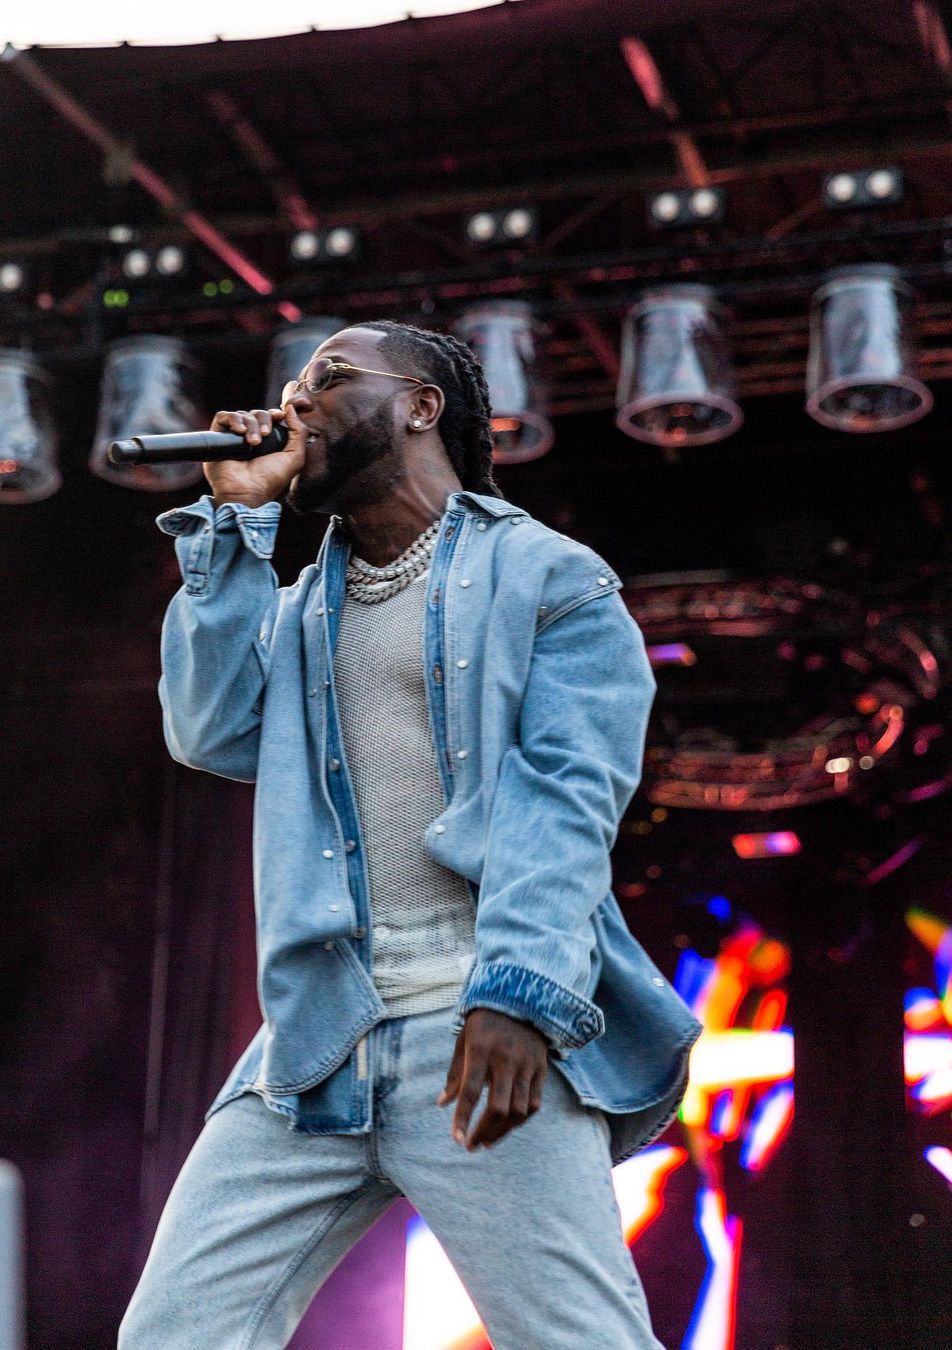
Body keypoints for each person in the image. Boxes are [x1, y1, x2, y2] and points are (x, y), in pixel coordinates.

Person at [119, 320, 701, 1349]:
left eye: (330, 377)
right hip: (320, 1035)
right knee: (175, 1333)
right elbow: (207, 730)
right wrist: (235, 523)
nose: (295, 402)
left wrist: (519, 994)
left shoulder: (550, 579)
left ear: (422, 406)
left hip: (475, 1017)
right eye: (291, 385)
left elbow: (566, 803)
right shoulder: (302, 609)